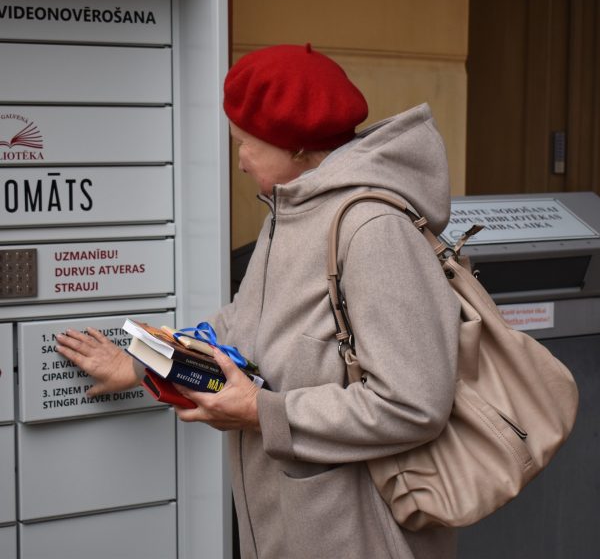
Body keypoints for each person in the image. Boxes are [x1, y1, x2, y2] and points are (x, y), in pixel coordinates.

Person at [57, 44, 460, 559]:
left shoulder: (374, 229)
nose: (241, 161)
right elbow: (241, 326)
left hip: (362, 535)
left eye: (245, 143)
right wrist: (142, 362)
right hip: (297, 528)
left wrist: (261, 412)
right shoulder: (289, 210)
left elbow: (413, 405)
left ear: (296, 146)